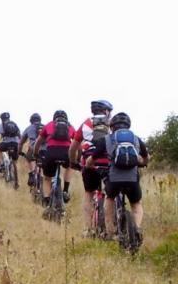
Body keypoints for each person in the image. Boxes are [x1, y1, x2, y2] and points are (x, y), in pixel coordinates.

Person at [87, 112, 148, 242]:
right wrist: (142, 163)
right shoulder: (136, 139)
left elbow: (92, 158)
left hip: (114, 179)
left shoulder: (107, 139)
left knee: (109, 200)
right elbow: (146, 158)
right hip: (132, 179)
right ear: (128, 125)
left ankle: (111, 232)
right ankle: (136, 228)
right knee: (136, 204)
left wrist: (89, 165)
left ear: (112, 126)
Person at [69, 100, 114, 236]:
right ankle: (111, 229)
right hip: (108, 162)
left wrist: (73, 161)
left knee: (89, 193)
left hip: (89, 162)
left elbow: (73, 147)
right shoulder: (113, 123)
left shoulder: (86, 123)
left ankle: (87, 229)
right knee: (111, 194)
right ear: (106, 111)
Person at [33, 110, 76, 205]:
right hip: (66, 153)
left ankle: (47, 200)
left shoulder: (48, 125)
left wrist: (36, 154)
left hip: (51, 153)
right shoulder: (70, 126)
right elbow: (78, 143)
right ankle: (65, 190)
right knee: (69, 167)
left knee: (47, 178)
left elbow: (38, 143)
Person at [19, 113, 43, 186]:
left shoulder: (29, 128)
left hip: (33, 149)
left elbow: (21, 142)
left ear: (31, 121)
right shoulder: (45, 127)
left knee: (29, 157)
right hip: (46, 150)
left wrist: (19, 151)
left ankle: (32, 173)